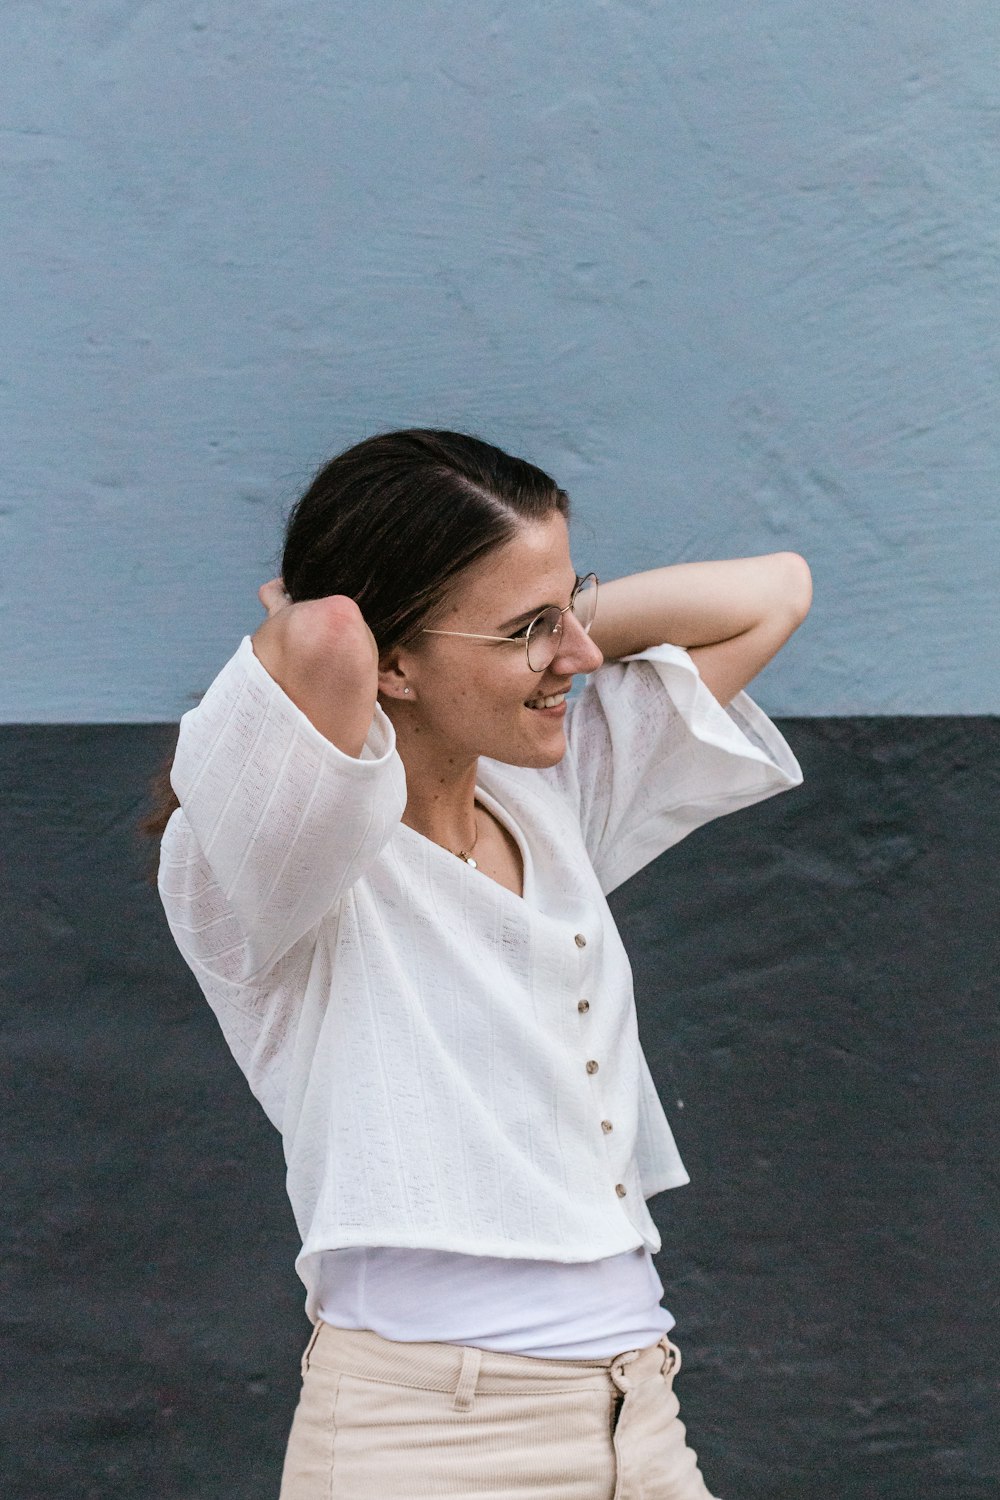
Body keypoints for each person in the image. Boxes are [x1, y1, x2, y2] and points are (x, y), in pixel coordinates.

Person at [150, 428, 811, 1499]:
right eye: (526, 630)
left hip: (637, 1415)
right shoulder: (272, 869)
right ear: (394, 660)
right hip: (427, 1442)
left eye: (570, 608)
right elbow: (317, 635)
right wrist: (355, 618)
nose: (581, 658)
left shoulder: (548, 803)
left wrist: (536, 624)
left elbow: (772, 592)